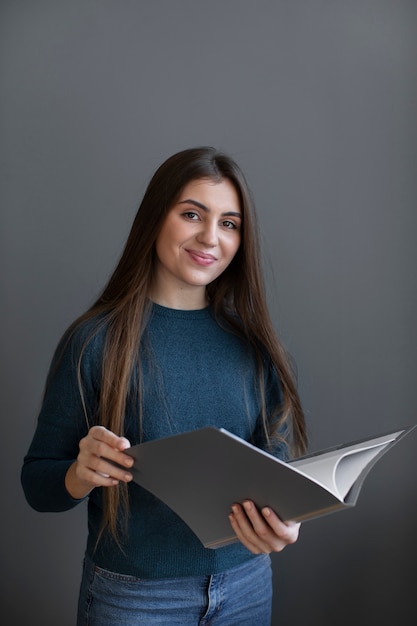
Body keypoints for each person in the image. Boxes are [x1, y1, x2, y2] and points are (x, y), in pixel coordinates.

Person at [21, 146, 307, 625]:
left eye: (229, 223)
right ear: (156, 217)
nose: (210, 237)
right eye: (192, 213)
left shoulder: (254, 343)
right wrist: (81, 471)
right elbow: (38, 485)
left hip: (248, 586)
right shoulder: (94, 341)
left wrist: (285, 519)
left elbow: (275, 458)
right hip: (134, 599)